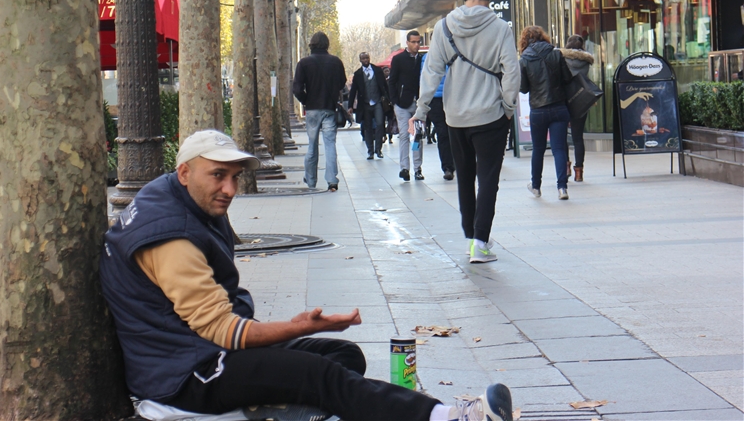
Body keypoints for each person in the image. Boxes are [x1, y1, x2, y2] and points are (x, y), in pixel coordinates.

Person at [100, 129, 514, 421]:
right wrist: (293, 328)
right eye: (218, 176)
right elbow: (225, 332)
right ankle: (446, 417)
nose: (229, 188)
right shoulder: (172, 239)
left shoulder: (173, 195)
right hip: (184, 376)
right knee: (318, 374)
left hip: (197, 351)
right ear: (185, 172)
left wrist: (292, 335)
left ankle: (281, 408)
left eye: (234, 177)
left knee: (343, 356)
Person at [409, 0, 520, 264]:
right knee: (488, 179)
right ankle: (480, 242)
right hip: (490, 115)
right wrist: (508, 107)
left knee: (465, 179)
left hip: (455, 115)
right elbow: (512, 72)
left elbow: (431, 71)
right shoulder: (500, 28)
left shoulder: (445, 27)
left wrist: (421, 111)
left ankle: (472, 237)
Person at [519, 25, 574, 200]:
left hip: (538, 110)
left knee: (538, 149)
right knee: (559, 149)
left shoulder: (524, 59)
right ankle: (562, 188)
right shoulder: (556, 54)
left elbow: (524, 88)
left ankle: (536, 186)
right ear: (543, 37)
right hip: (559, 107)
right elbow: (567, 78)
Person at [292, 32, 346, 192]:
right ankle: (332, 180)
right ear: (327, 44)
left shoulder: (304, 63)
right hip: (329, 107)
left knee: (312, 145)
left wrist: (306, 100)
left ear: (311, 45)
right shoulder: (336, 62)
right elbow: (342, 82)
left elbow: (296, 88)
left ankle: (311, 179)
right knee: (330, 144)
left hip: (313, 109)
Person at [389, 31, 425, 181]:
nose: (417, 45)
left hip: (418, 104)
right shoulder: (398, 59)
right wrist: (394, 100)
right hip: (403, 104)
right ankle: (405, 168)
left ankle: (417, 168)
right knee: (404, 135)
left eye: (418, 42)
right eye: (414, 42)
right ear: (407, 42)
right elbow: (392, 81)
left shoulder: (423, 60)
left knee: (417, 136)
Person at [560, 34, 594, 182]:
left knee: (562, 138)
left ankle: (566, 166)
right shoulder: (586, 62)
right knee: (578, 138)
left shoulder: (562, 59)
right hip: (581, 100)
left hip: (564, 100)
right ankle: (579, 172)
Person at [349, 52, 389, 159]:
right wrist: (350, 106)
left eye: (367, 58)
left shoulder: (377, 70)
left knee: (380, 124)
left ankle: (378, 149)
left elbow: (385, 86)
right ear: (360, 60)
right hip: (365, 104)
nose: (365, 60)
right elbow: (353, 91)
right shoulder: (358, 74)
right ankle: (370, 151)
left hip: (377, 102)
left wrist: (389, 99)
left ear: (369, 58)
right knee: (368, 128)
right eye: (363, 58)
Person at [421, 53, 455, 181]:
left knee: (455, 132)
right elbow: (424, 78)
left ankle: (454, 163)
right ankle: (448, 167)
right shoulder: (428, 57)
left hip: (454, 97)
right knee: (443, 132)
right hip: (436, 99)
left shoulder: (456, 51)